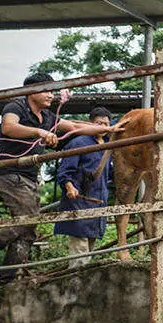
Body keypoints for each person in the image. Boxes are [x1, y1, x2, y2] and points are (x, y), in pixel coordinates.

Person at [0, 73, 119, 279]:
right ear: (32, 91)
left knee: (29, 229)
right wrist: (39, 132)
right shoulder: (16, 107)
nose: (51, 95)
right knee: (27, 220)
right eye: (47, 90)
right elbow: (8, 127)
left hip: (30, 177)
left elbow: (75, 127)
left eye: (53, 91)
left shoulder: (49, 117)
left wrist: (109, 129)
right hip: (10, 175)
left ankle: (7, 276)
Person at [54, 106, 113, 268]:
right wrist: (69, 187)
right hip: (78, 201)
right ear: (89, 123)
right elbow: (65, 170)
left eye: (106, 124)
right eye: (99, 123)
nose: (102, 127)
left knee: (89, 251)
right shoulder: (78, 142)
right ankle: (76, 284)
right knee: (80, 254)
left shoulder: (109, 146)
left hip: (98, 202)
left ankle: (81, 284)